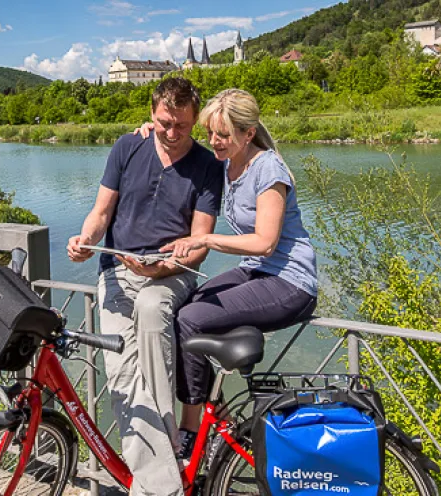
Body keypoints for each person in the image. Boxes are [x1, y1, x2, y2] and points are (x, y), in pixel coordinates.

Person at [136, 88, 318, 459]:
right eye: (210, 134)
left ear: (248, 134)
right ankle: (213, 418)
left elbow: (265, 242)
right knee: (184, 305)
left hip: (290, 280)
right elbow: (180, 147)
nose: (215, 142)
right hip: (255, 272)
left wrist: (204, 239)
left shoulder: (268, 169)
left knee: (191, 319)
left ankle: (193, 427)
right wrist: (148, 130)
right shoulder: (226, 162)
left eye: (223, 134)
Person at [66, 78, 224, 496]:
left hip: (172, 274)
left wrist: (163, 267)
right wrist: (84, 240)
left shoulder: (208, 167)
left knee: (154, 310)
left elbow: (200, 246)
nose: (172, 134)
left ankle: (156, 485)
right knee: (122, 377)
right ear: (152, 113)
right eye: (163, 123)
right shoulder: (126, 147)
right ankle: (168, 474)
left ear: (195, 121)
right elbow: (101, 213)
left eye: (183, 126)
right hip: (116, 272)